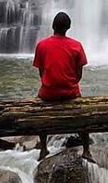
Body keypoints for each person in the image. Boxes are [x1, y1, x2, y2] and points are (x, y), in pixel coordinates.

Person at [33, 11, 92, 162]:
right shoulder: (76, 46)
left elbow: (41, 71)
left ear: (53, 26)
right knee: (82, 116)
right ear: (68, 27)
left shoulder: (41, 45)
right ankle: (86, 150)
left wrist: (49, 84)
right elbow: (79, 74)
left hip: (48, 93)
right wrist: (69, 84)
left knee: (40, 114)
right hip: (70, 92)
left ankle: (44, 148)